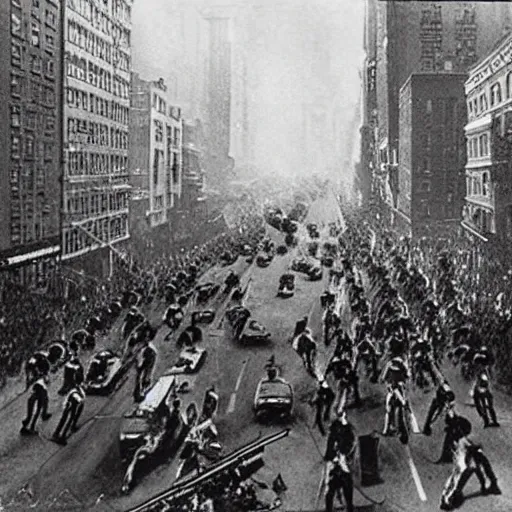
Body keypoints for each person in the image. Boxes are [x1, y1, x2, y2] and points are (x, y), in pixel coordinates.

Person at [440, 432, 501, 510]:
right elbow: (478, 471)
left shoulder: (463, 443)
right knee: (456, 484)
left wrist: (483, 486)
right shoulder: (467, 453)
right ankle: (447, 500)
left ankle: (447, 499)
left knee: (455, 481)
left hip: (463, 462)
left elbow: (478, 471)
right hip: (464, 465)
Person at [52, 377, 86, 445]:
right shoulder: (75, 392)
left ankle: (58, 434)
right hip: (70, 406)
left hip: (72, 405)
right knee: (67, 420)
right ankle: (61, 436)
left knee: (66, 419)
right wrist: (81, 401)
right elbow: (79, 399)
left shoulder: (78, 389)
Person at [134, 337, 157, 402]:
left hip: (146, 364)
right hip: (147, 364)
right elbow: (144, 376)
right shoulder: (146, 386)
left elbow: (140, 377)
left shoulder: (142, 386)